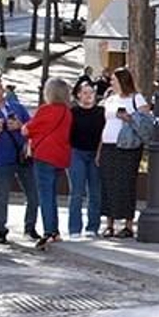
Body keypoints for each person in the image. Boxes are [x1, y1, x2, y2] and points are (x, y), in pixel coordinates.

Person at [0, 77, 40, 244]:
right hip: (1, 161)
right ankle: (1, 230)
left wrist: (20, 127)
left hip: (23, 157)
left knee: (33, 194)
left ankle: (30, 227)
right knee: (1, 197)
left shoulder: (17, 108)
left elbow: (33, 129)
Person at [24, 78, 73, 249]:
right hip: (60, 157)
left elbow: (28, 130)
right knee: (51, 193)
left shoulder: (45, 110)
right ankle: (55, 230)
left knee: (45, 194)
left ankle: (49, 231)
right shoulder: (67, 112)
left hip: (44, 155)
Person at [100, 67, 148, 237]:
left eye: (114, 79)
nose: (111, 82)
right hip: (108, 145)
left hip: (128, 147)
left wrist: (129, 117)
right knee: (108, 184)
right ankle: (109, 223)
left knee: (126, 183)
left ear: (122, 81)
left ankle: (128, 224)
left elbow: (145, 121)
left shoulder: (137, 98)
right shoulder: (110, 99)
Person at [67, 81, 105, 239]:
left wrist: (100, 153)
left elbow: (105, 133)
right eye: (85, 93)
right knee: (77, 191)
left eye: (91, 93)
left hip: (95, 153)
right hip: (77, 152)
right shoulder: (72, 112)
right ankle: (74, 228)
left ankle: (93, 227)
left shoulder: (101, 112)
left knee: (95, 192)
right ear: (78, 95)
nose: (88, 96)